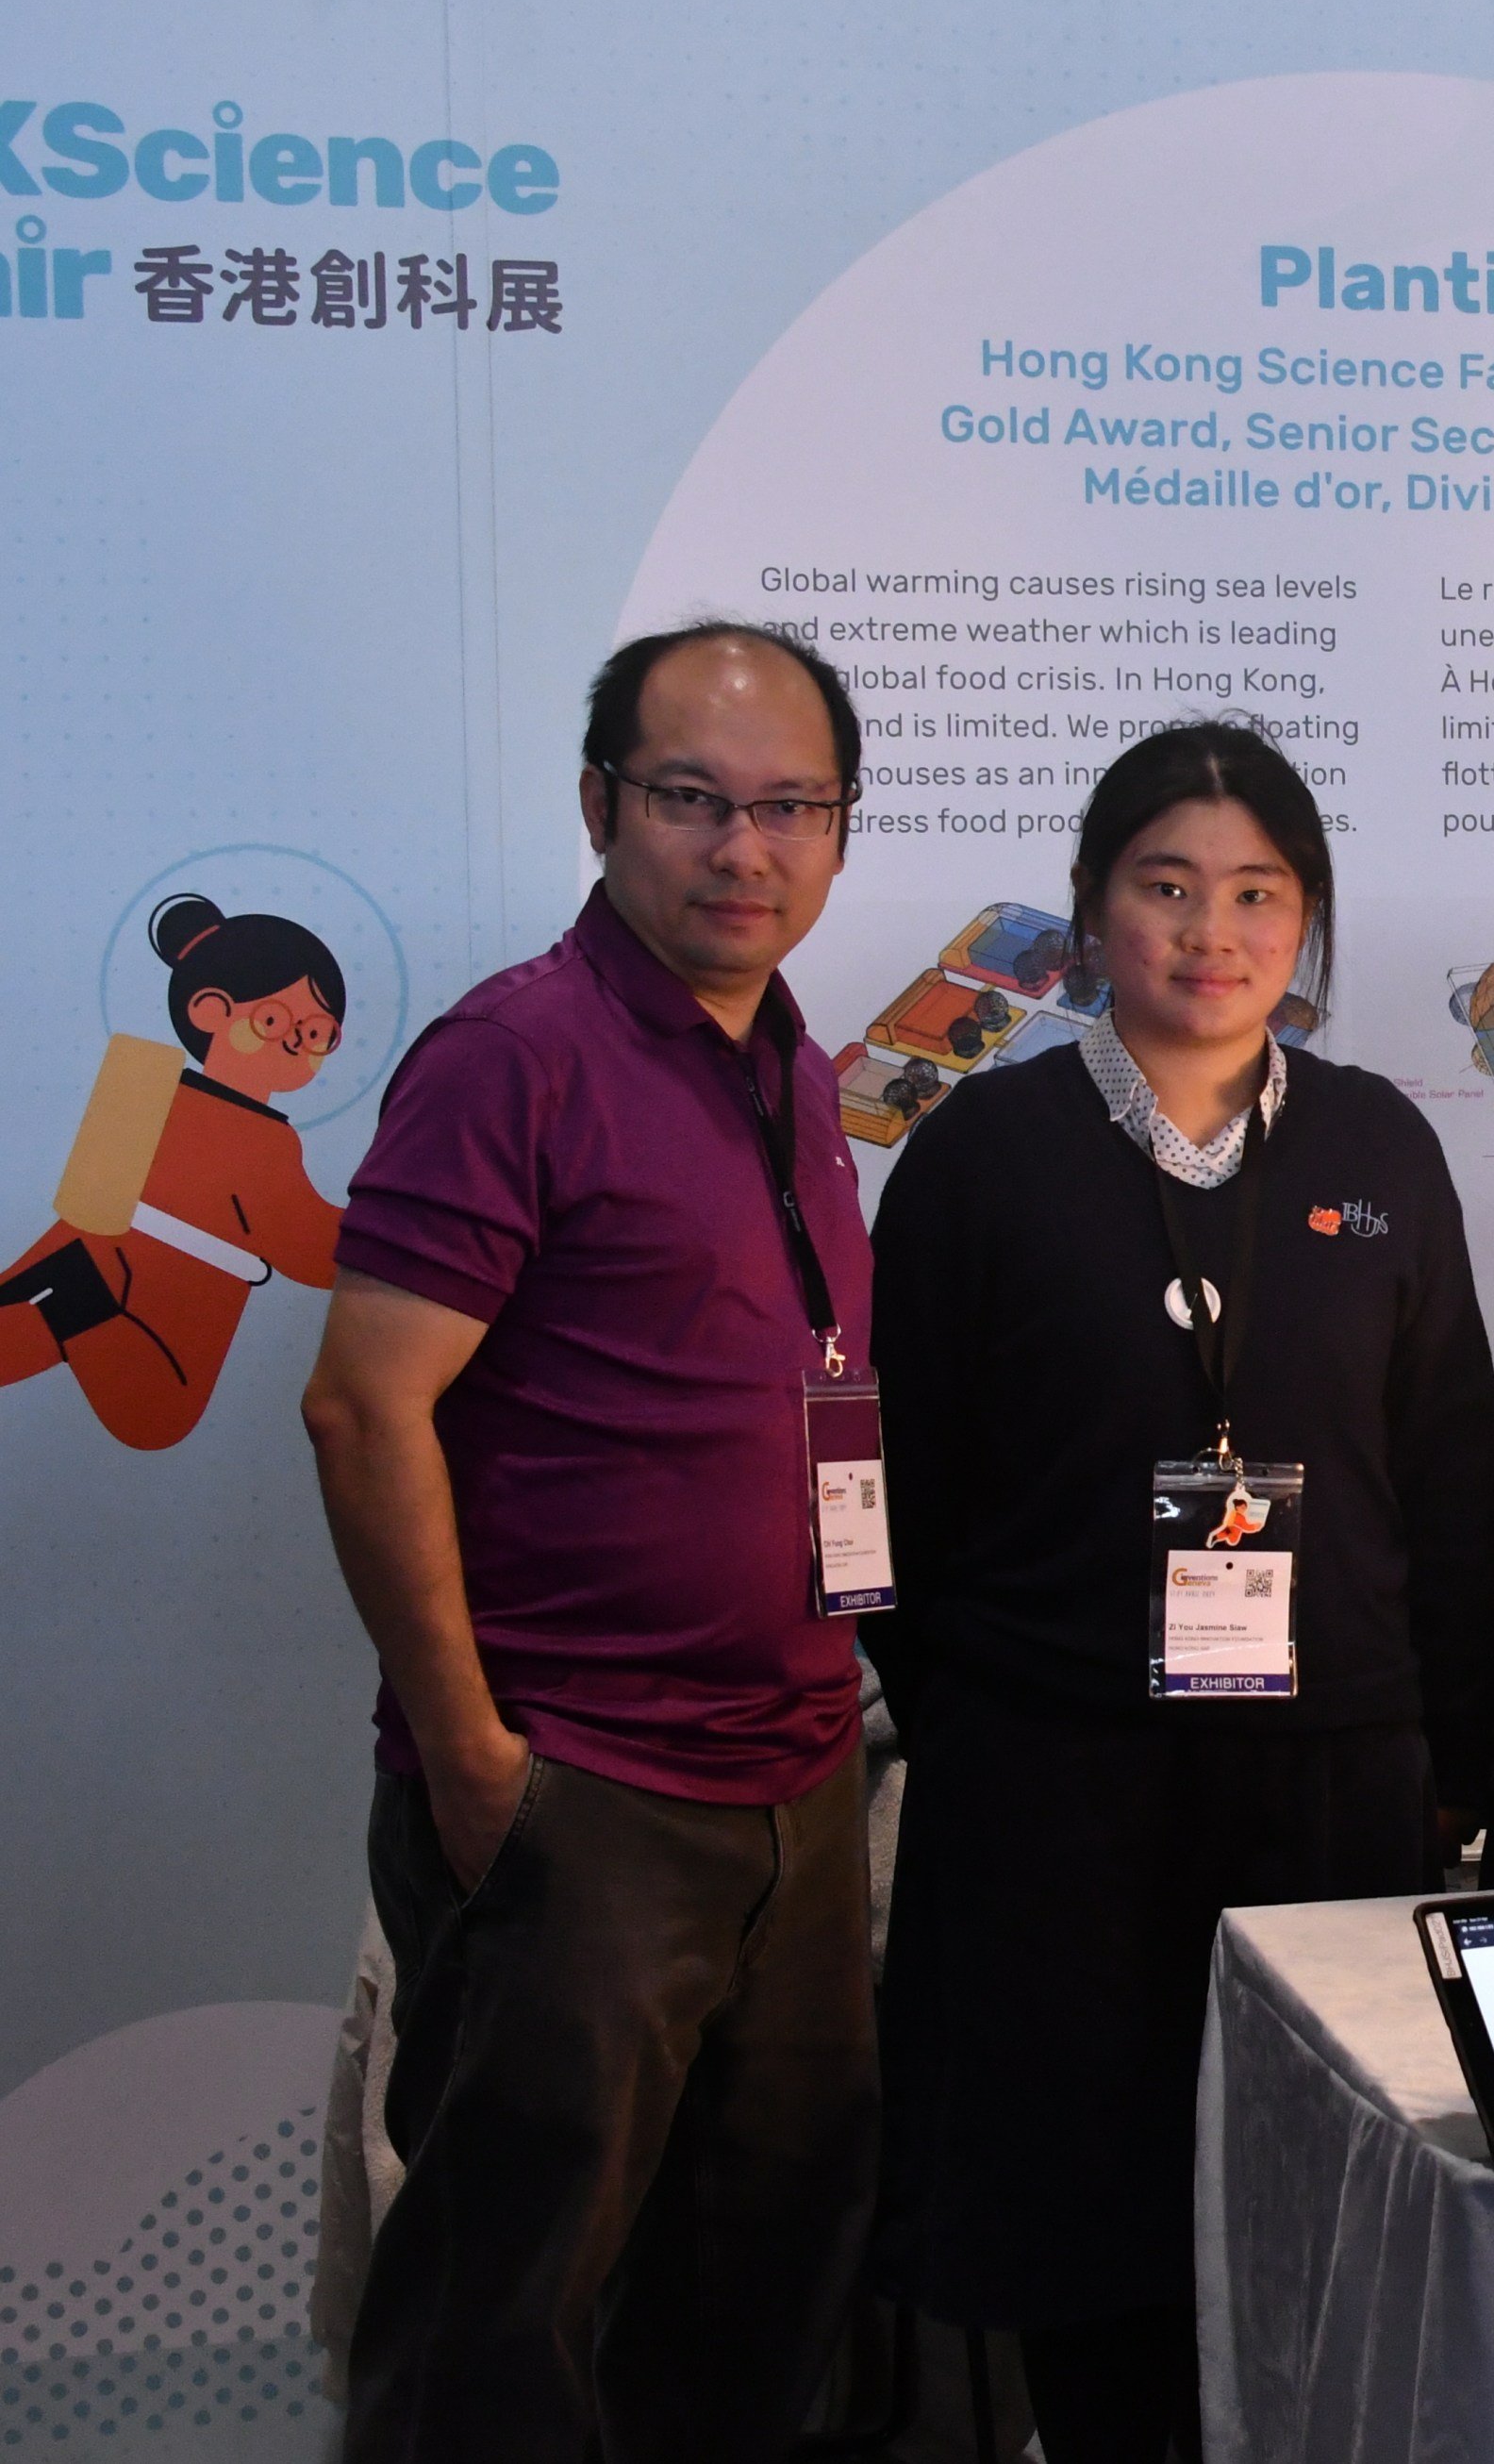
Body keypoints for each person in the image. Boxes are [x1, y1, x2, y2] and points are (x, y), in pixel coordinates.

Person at [864, 722, 1494, 2462]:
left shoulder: (1376, 1144)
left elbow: (1446, 1464)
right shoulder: (981, 1154)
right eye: (1165, 887)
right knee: (1095, 2242)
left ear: (1303, 925)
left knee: (1328, 2213)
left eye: (1255, 893)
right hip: (1060, 1790)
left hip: (1328, 1784)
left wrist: (1445, 1738)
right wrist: (988, 1726)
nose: (1209, 932)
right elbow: (893, 1489)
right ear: (1089, 912)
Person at [299, 624, 880, 2461]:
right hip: (586, 1799)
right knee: (499, 2338)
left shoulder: (789, 1065)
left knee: (748, 2309)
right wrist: (480, 1767)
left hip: (792, 1790)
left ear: (840, 830)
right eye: (693, 800)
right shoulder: (516, 1055)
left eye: (789, 807)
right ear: (598, 806)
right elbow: (359, 1405)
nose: (743, 849)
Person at [1, 894, 347, 1447]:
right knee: (158, 1414)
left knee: (58, 1338)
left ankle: (67, 1294)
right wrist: (396, 1213)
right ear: (210, 1010)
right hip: (153, 1290)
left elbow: (78, 1223)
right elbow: (312, 1254)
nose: (293, 1041)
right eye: (275, 1019)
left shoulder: (142, 1090)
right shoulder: (263, 1141)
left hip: (103, 1260)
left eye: (316, 1033)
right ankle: (71, 1295)